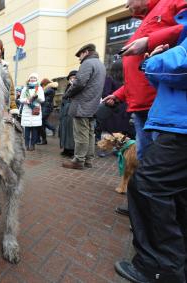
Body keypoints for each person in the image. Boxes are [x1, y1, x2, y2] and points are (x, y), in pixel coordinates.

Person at [115, 10, 187, 282]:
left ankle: (158, 266)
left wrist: (153, 61)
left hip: (179, 123)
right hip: (172, 118)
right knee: (176, 194)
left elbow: (180, 63)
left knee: (147, 185)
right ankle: (176, 265)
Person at [102, 0, 187, 216]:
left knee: (159, 171)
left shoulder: (171, 3)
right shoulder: (145, 19)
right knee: (145, 163)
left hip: (159, 106)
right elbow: (135, 75)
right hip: (141, 108)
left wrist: (150, 40)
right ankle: (143, 211)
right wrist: (119, 94)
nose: (126, 4)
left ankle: (158, 218)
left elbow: (183, 30)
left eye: (129, 0)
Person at [62, 44, 106, 169]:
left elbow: (79, 83)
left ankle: (78, 161)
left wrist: (67, 94)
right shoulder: (100, 65)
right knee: (90, 134)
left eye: (80, 55)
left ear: (86, 52)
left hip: (82, 105)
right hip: (93, 105)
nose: (79, 58)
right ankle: (88, 160)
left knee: (81, 134)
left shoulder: (88, 63)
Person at [19, 73, 45, 151]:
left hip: (35, 110)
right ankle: (26, 144)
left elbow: (42, 99)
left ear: (36, 79)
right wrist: (26, 100)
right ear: (29, 79)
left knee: (34, 129)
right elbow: (21, 99)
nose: (32, 79)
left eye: (34, 78)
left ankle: (32, 145)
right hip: (27, 110)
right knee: (27, 129)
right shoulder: (25, 88)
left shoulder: (39, 88)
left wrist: (36, 98)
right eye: (31, 78)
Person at [59, 70, 77, 157]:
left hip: (72, 111)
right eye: (71, 78)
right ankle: (65, 149)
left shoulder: (77, 87)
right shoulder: (67, 87)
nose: (72, 79)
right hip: (65, 112)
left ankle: (71, 150)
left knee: (71, 132)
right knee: (64, 131)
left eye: (74, 77)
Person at [37, 78, 58, 145]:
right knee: (43, 121)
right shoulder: (50, 89)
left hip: (46, 107)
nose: (42, 86)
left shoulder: (49, 89)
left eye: (42, 85)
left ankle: (44, 139)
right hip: (46, 107)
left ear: (45, 84)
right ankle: (52, 130)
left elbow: (41, 94)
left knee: (41, 122)